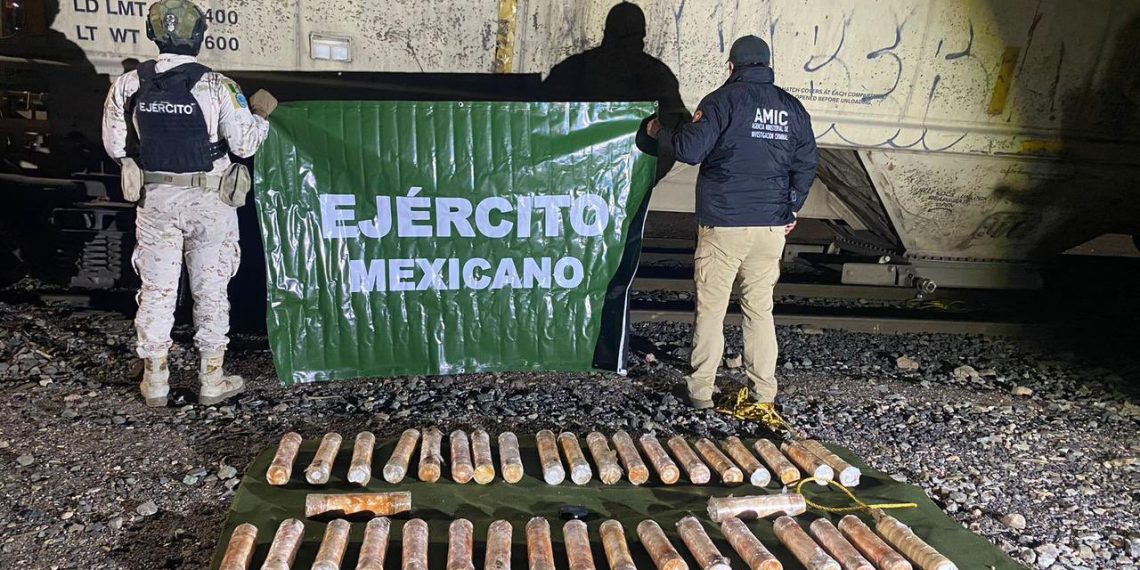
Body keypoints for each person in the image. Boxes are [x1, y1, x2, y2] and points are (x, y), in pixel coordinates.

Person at [102, 0, 277, 407]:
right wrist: (261, 115)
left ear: (153, 34)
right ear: (199, 37)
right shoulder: (218, 85)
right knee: (211, 290)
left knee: (158, 291)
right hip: (209, 201)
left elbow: (115, 146)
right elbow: (245, 143)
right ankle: (212, 379)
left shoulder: (129, 84)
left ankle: (157, 379)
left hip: (156, 199)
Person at [648, 35, 818, 424]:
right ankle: (764, 392)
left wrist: (661, 132)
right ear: (767, 65)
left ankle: (702, 391)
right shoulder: (792, 108)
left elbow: (690, 150)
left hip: (725, 225)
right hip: (770, 228)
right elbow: (807, 163)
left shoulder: (721, 101)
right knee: (759, 310)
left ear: (732, 66)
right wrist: (791, 206)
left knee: (711, 311)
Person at [541, 1, 690, 181]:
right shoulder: (658, 75)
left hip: (572, 177)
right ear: (642, 34)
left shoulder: (572, 70)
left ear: (606, 32)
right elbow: (674, 135)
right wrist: (643, 181)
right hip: (631, 178)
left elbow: (539, 121)